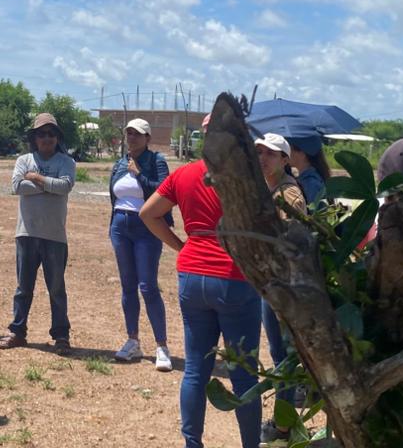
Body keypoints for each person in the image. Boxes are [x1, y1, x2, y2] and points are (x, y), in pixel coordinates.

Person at [140, 157, 263, 448]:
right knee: (244, 376)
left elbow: (148, 213)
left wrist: (181, 246)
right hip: (233, 275)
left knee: (195, 371)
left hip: (192, 273)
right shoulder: (244, 173)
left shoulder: (184, 173)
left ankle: (192, 443)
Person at [0, 113, 77, 353]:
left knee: (56, 289)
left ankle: (61, 336)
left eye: (51, 134)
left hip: (55, 235)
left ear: (57, 137)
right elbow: (17, 186)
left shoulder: (67, 162)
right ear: (34, 137)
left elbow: (65, 186)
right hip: (27, 233)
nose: (47, 138)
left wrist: (37, 178)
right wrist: (49, 185)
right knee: (23, 288)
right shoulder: (24, 160)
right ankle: (17, 331)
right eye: (42, 134)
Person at [107, 118, 172, 370]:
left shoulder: (156, 161)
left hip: (147, 228)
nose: (132, 137)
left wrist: (139, 174)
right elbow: (114, 195)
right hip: (120, 227)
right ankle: (133, 340)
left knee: (148, 286)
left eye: (137, 134)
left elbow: (164, 191)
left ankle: (162, 346)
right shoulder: (120, 163)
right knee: (128, 286)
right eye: (129, 133)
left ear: (148, 138)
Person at [254, 133, 305, 446]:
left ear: (285, 159)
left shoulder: (289, 195)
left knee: (283, 358)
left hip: (283, 287)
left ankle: (283, 427)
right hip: (271, 283)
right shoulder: (269, 189)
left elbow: (293, 244)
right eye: (260, 152)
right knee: (279, 355)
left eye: (271, 154)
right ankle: (283, 421)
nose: (263, 158)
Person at [288, 135, 331, 205]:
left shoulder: (310, 183)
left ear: (302, 153)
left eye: (290, 149)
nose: (287, 153)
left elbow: (312, 210)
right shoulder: (308, 179)